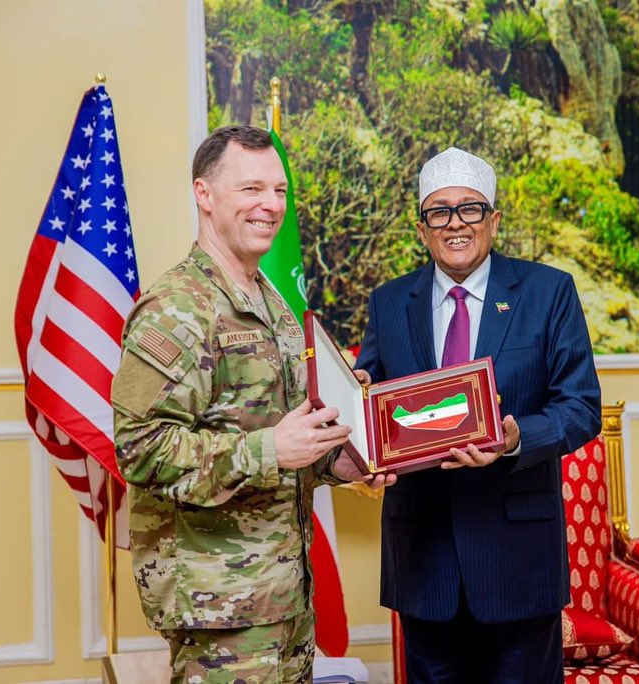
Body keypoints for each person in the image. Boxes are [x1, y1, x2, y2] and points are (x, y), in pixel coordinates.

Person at [111, 125, 393, 684]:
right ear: (204, 194)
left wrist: (343, 453)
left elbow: (288, 441)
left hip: (285, 598)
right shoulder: (175, 310)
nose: (271, 205)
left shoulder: (275, 306)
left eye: (280, 191)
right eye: (252, 189)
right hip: (219, 608)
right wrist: (270, 448)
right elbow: (139, 450)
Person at [355, 147, 602, 683]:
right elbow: (366, 402)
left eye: (470, 209)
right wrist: (355, 410)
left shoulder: (548, 291)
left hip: (518, 560)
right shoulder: (388, 303)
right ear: (422, 229)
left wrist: (515, 439)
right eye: (439, 212)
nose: (455, 224)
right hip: (423, 559)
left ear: (493, 219)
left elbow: (581, 407)